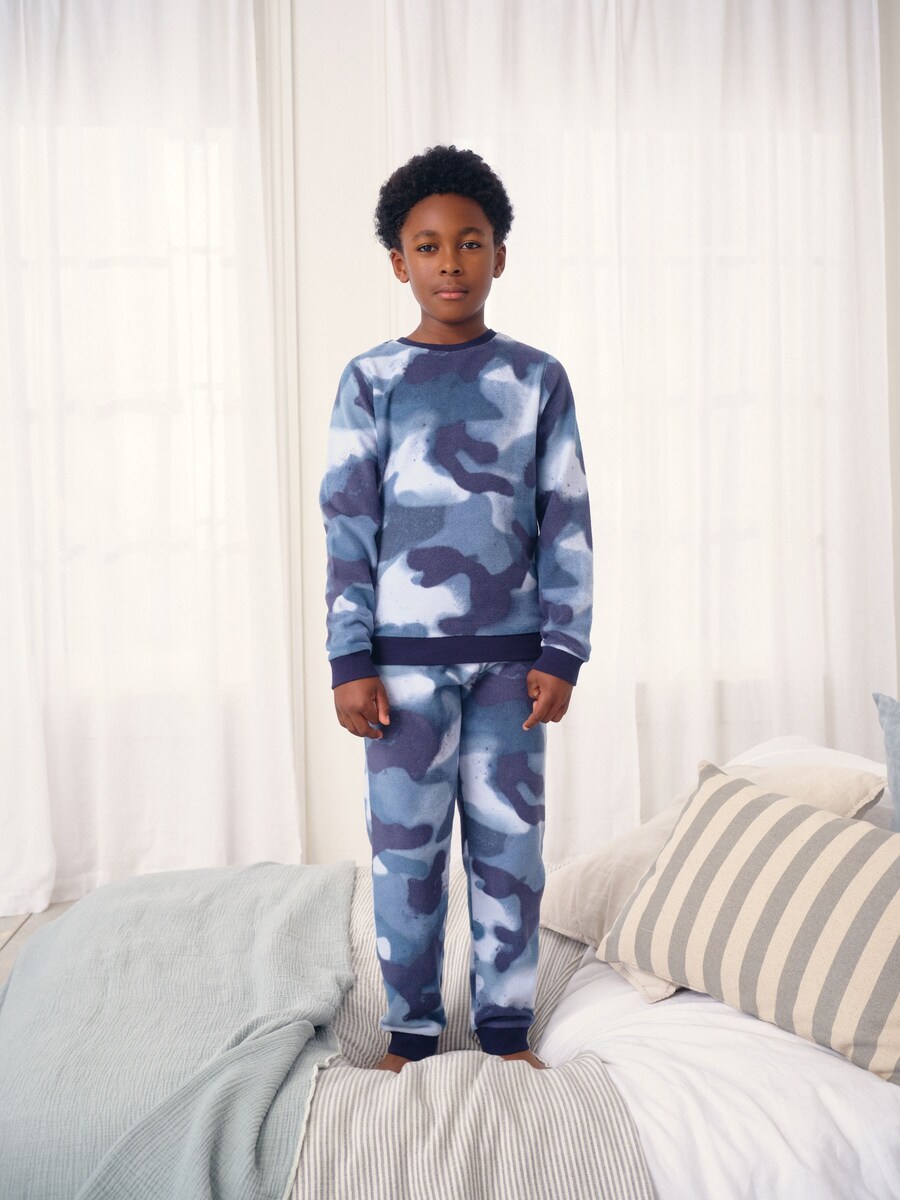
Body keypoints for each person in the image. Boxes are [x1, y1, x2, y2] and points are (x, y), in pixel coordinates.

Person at [318, 145, 593, 1073]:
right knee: (407, 857)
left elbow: (565, 518)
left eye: (470, 243)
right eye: (429, 246)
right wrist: (349, 658)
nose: (450, 263)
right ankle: (411, 1033)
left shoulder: (538, 379)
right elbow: (348, 524)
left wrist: (564, 648)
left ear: (499, 255)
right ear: (399, 262)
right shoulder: (372, 381)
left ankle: (506, 1032)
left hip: (516, 665)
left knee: (510, 852)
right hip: (399, 671)